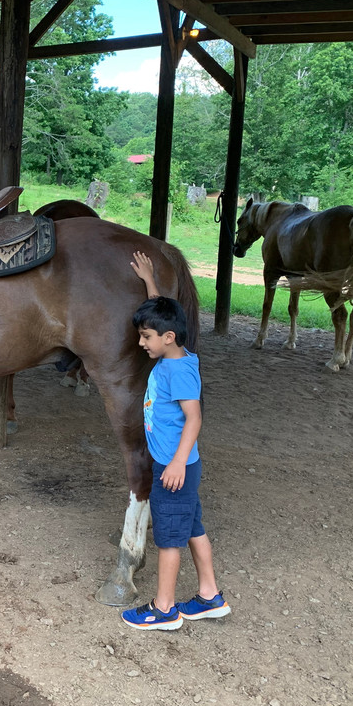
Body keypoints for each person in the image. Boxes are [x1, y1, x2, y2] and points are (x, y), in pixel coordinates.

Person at [121, 251, 230, 631]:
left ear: (168, 338)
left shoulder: (177, 372)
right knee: (194, 529)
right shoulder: (175, 355)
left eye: (146, 337)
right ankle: (209, 597)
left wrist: (177, 463)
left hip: (175, 469)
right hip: (179, 466)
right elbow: (161, 318)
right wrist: (151, 282)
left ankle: (164, 609)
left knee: (169, 540)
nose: (141, 343)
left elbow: (194, 417)